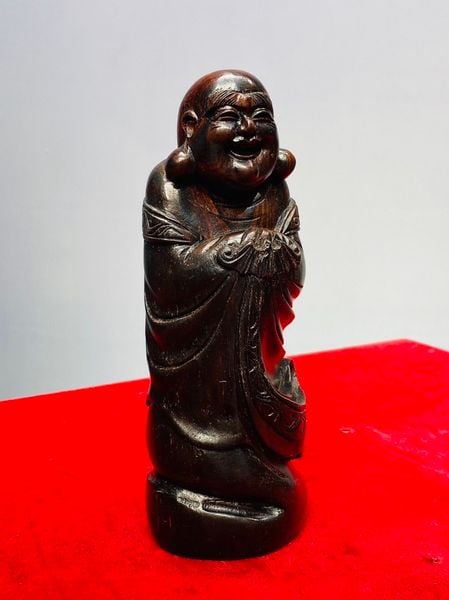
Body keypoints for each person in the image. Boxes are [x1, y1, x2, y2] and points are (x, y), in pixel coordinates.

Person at [143, 70, 306, 558]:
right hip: (195, 400)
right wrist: (244, 248)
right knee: (268, 487)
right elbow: (170, 279)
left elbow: (295, 273)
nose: (248, 130)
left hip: (259, 376)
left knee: (279, 477)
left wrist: (274, 255)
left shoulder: (273, 192)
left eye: (262, 117)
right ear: (191, 128)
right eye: (231, 117)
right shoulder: (170, 187)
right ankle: (196, 491)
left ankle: (243, 491)